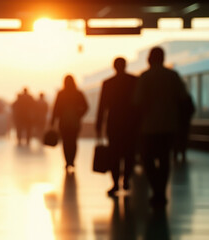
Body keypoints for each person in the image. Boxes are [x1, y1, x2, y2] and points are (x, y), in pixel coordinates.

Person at [134, 47, 188, 207]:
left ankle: (156, 188)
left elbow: (137, 102)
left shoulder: (144, 77)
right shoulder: (173, 76)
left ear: (149, 59)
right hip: (169, 125)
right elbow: (183, 98)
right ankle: (161, 191)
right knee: (164, 159)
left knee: (147, 158)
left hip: (148, 126)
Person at [96, 57, 139, 197]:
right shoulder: (134, 81)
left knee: (114, 154)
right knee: (129, 153)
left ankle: (115, 183)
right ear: (126, 65)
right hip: (131, 123)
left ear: (114, 67)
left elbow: (102, 106)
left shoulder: (108, 83)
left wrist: (99, 124)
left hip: (113, 123)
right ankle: (126, 179)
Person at [51, 75, 88, 171]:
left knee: (65, 142)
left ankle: (67, 161)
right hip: (75, 121)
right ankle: (72, 160)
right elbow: (86, 106)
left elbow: (55, 108)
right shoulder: (78, 93)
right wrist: (79, 114)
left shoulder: (61, 93)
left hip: (63, 122)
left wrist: (53, 121)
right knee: (73, 141)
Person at [173, 92, 195, 163]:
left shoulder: (174, 98)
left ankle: (175, 155)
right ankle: (182, 154)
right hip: (184, 123)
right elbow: (192, 109)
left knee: (176, 139)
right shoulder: (187, 97)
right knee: (183, 138)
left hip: (177, 123)